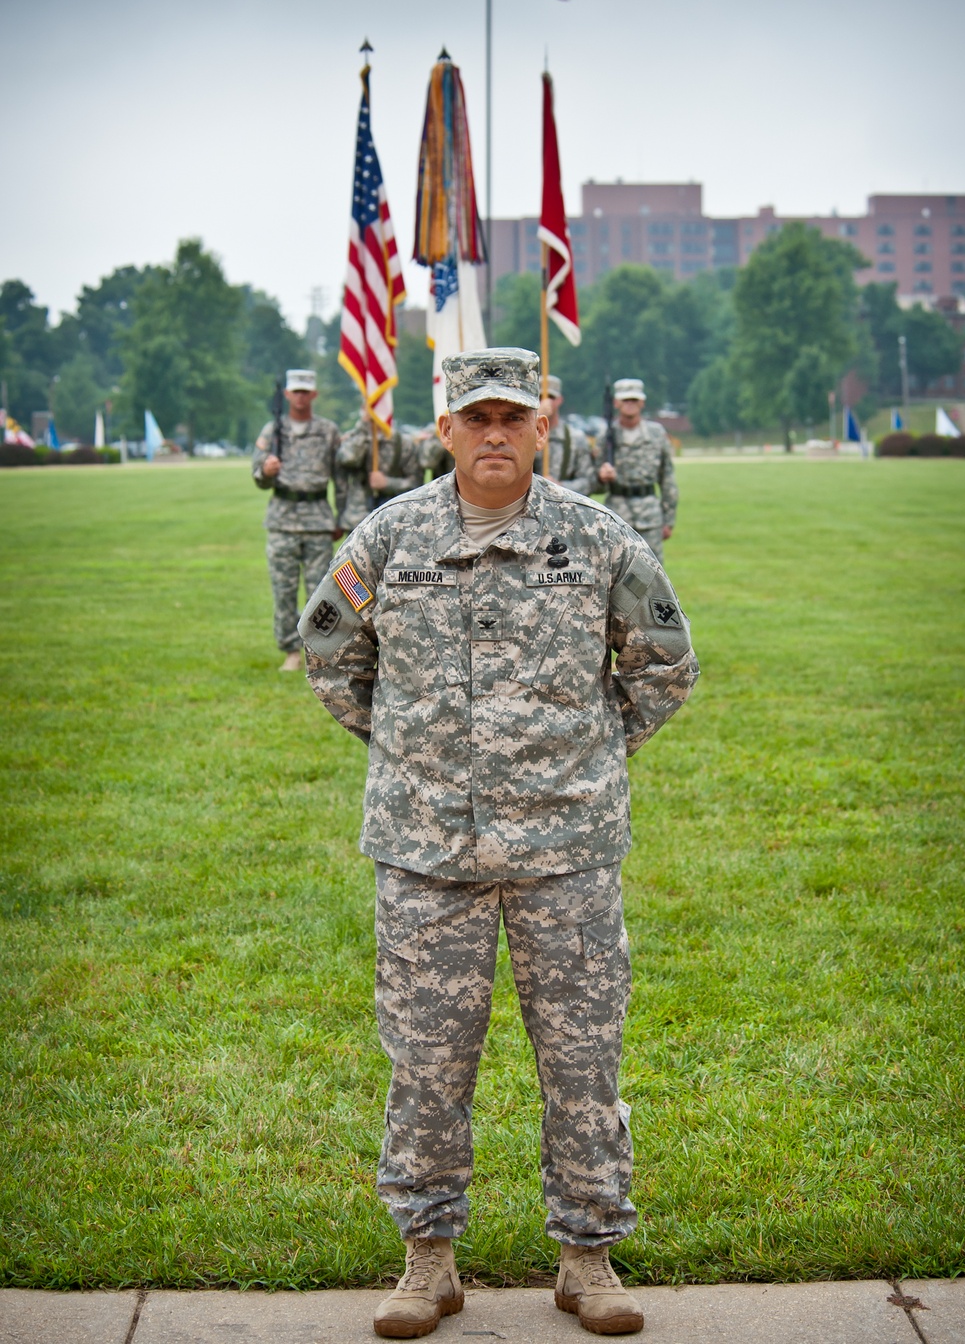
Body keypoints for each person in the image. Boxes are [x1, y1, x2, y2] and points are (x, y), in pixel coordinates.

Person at [299, 348, 699, 1339]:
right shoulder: (389, 538)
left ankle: (587, 1255)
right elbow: (326, 650)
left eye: (511, 419)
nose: (493, 435)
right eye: (474, 417)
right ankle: (427, 1259)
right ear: (444, 430)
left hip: (565, 850)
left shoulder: (597, 538)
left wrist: (587, 754)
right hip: (426, 854)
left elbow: (664, 665)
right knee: (427, 1066)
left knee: (582, 1063)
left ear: (542, 428)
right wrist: (410, 748)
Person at [251, 369, 340, 672]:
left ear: (313, 395)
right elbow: (257, 475)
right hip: (282, 519)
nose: (300, 397)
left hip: (317, 518)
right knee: (284, 589)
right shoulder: (271, 431)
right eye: (295, 392)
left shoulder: (328, 431)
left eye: (306, 391)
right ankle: (290, 649)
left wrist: (341, 517)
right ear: (287, 395)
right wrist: (267, 471)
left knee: (320, 592)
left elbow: (341, 480)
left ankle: (316, 650)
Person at [597, 379, 678, 557]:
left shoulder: (656, 433)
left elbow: (667, 478)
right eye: (626, 400)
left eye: (634, 400)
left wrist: (669, 519)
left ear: (642, 402)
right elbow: (594, 478)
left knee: (652, 572)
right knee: (615, 571)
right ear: (616, 403)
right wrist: (602, 476)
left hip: (649, 516)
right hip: (616, 514)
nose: (630, 404)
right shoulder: (606, 437)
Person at [335, 408, 422, 535]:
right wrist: (363, 428)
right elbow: (348, 459)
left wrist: (388, 483)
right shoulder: (354, 439)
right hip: (358, 520)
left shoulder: (403, 443)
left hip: (395, 520)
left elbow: (417, 485)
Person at [533, 373, 595, 494]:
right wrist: (535, 418)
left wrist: (560, 486)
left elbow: (589, 482)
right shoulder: (524, 437)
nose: (545, 402)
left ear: (560, 400)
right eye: (540, 397)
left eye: (551, 397)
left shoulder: (576, 438)